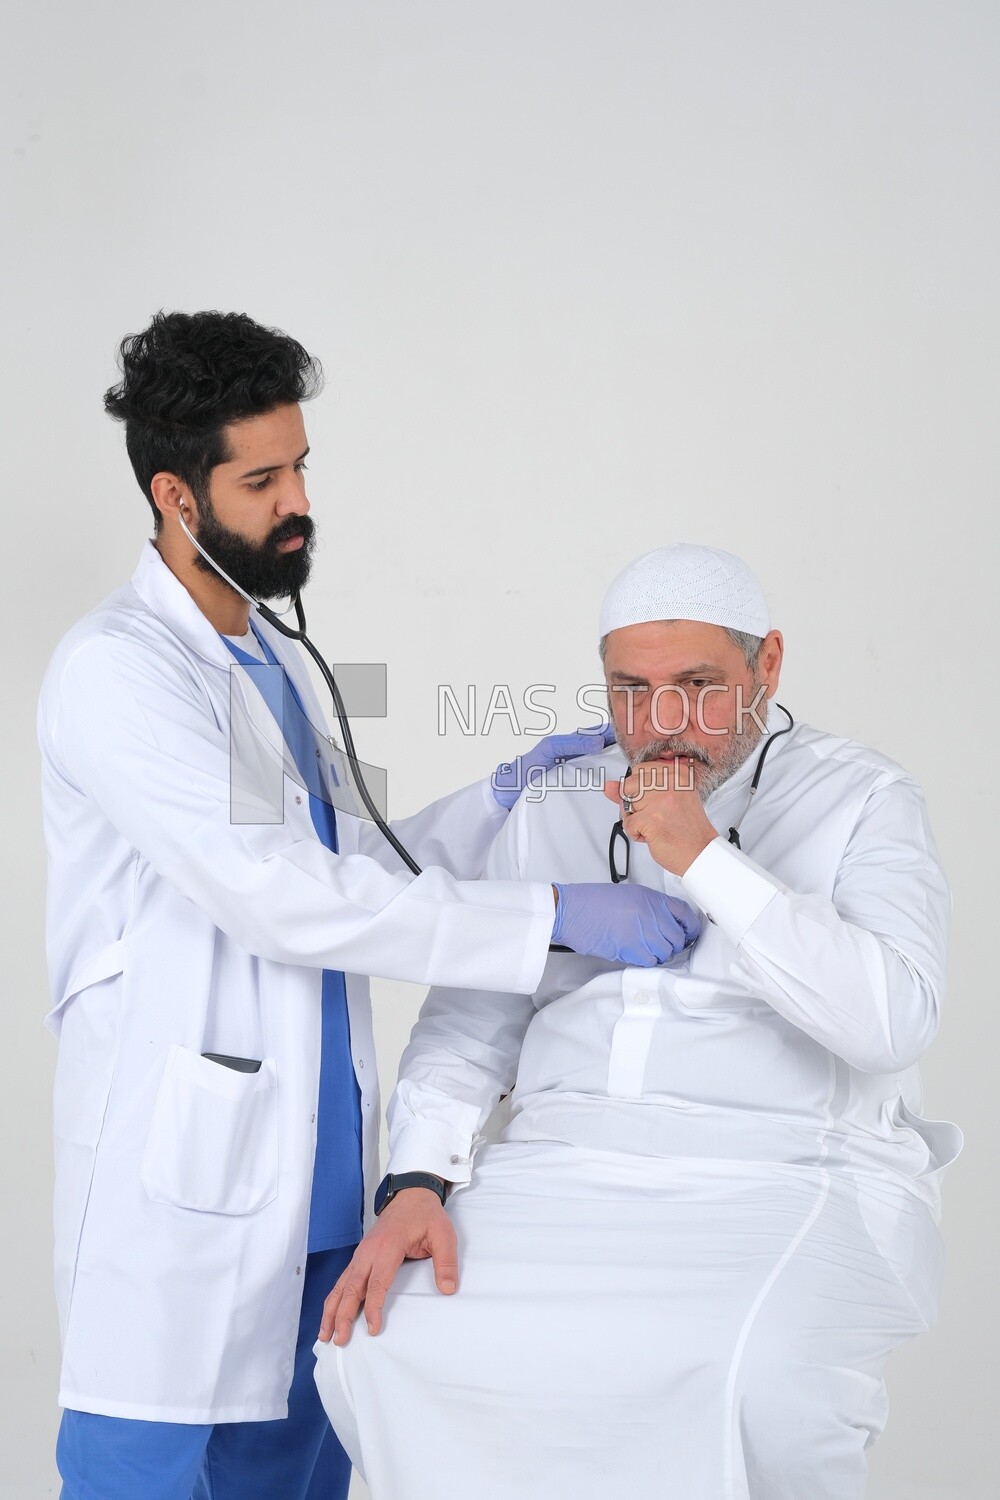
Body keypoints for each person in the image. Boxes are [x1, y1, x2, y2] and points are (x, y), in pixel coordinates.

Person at [38, 312, 699, 1500]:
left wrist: (500, 800)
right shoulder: (119, 672)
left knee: (303, 1464)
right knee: (141, 1467)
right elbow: (279, 898)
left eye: (301, 467)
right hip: (184, 1184)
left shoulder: (274, 665)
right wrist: (549, 911)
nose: (297, 502)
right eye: (261, 480)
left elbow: (355, 863)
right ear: (177, 498)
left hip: (322, 1186)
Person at [315, 543, 962, 1500]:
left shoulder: (862, 798)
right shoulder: (563, 797)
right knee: (375, 1350)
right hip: (562, 1164)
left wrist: (706, 861)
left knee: (761, 1385)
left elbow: (891, 1024)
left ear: (767, 666)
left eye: (698, 684)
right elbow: (470, 1021)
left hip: (786, 1165)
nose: (661, 723)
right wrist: (414, 1178)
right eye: (631, 688)